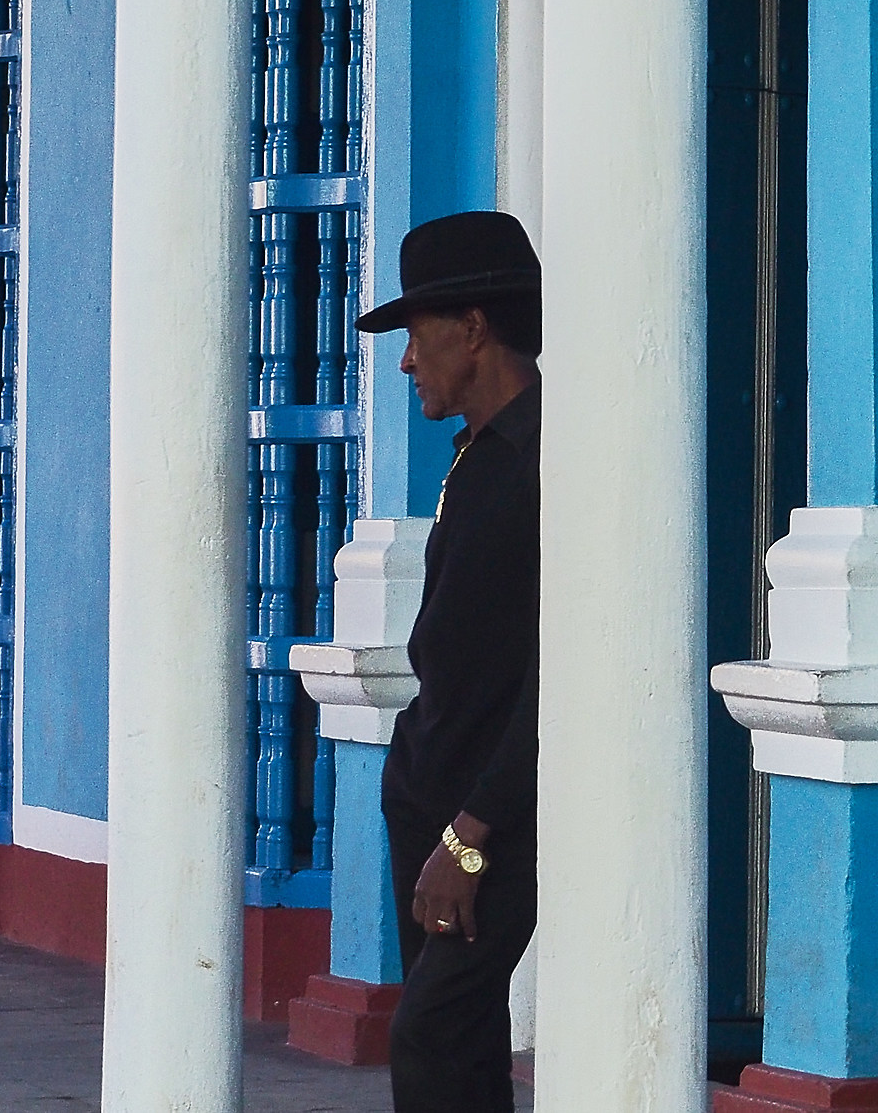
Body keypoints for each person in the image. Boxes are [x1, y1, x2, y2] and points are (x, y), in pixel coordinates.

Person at [355, 211, 544, 1113]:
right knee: (459, 1051)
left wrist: (472, 832)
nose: (405, 362)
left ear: (473, 328)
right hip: (427, 794)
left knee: (429, 1034)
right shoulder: (472, 455)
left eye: (416, 337)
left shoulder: (547, 460)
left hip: (488, 819)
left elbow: (554, 673)